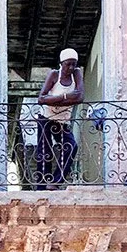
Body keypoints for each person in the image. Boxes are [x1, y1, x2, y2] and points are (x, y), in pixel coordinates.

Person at [35, 48, 83, 188]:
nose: (71, 67)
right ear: (62, 63)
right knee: (45, 151)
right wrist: (66, 97)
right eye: (68, 64)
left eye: (73, 64)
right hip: (46, 118)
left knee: (71, 147)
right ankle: (41, 187)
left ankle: (56, 181)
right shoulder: (54, 74)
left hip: (62, 121)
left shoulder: (77, 74)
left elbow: (80, 97)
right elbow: (41, 98)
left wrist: (54, 99)